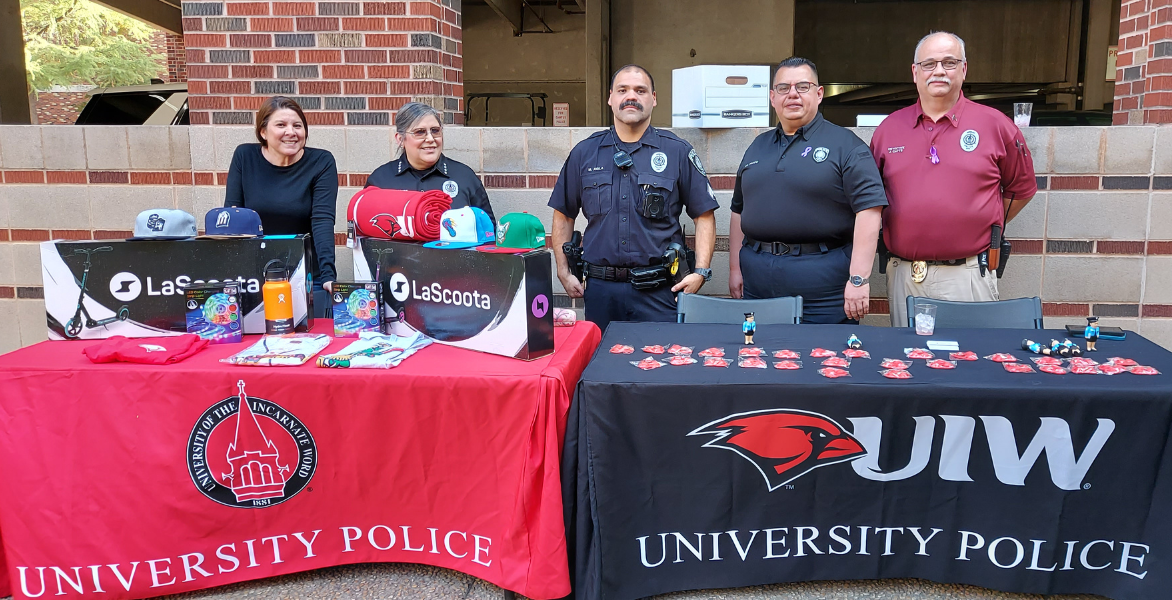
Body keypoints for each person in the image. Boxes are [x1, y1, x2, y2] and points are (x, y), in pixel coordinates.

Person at [870, 32, 1037, 327]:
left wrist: (981, 221)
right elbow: (872, 198)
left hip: (968, 275)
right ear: (915, 72)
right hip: (904, 276)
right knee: (906, 366)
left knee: (970, 364)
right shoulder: (889, 128)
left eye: (949, 62)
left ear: (964, 69)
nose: (938, 71)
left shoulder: (996, 125)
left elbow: (1020, 190)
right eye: (929, 63)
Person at [549, 64, 717, 334]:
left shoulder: (676, 151)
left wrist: (701, 271)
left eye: (640, 90)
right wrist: (563, 269)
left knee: (660, 367)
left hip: (661, 292)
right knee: (600, 370)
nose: (631, 96)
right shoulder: (585, 153)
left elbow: (704, 215)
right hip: (601, 292)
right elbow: (563, 214)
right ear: (610, 98)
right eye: (623, 90)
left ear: (654, 98)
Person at [728, 57, 887, 324]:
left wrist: (859, 279)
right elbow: (738, 210)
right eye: (783, 88)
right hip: (757, 284)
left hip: (823, 291)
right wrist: (735, 269)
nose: (792, 94)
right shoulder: (758, 146)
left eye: (803, 86)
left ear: (819, 93)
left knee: (826, 360)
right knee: (758, 359)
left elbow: (870, 212)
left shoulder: (846, 146)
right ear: (772, 97)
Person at [225, 96, 338, 313]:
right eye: (281, 125)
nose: (291, 132)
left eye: (297, 125)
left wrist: (328, 276)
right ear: (263, 132)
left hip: (304, 275)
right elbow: (233, 218)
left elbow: (322, 220)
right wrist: (232, 275)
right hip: (255, 276)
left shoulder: (321, 162)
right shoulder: (244, 156)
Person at [366, 102, 495, 223]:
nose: (430, 138)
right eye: (420, 132)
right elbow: (364, 232)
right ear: (400, 139)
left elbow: (489, 232)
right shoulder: (380, 180)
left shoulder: (465, 177)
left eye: (435, 130)